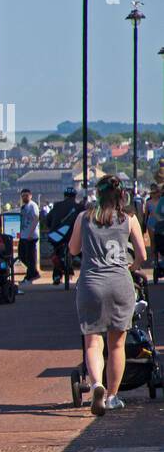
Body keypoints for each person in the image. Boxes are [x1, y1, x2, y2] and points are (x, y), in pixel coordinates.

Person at [70, 176, 148, 416]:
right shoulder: (129, 218)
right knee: (117, 344)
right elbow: (143, 256)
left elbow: (73, 249)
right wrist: (130, 267)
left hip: (92, 283)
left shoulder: (84, 217)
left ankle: (96, 385)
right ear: (121, 194)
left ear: (98, 193)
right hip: (119, 283)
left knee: (92, 342)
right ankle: (112, 396)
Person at [46, 186, 83, 285]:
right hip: (74, 236)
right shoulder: (79, 207)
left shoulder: (57, 206)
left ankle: (57, 276)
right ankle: (81, 272)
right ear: (74, 196)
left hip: (57, 236)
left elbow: (47, 220)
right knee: (83, 253)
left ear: (65, 196)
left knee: (57, 253)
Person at [16, 188, 41, 282]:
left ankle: (30, 275)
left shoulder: (32, 205)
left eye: (26, 195)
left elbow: (36, 219)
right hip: (24, 235)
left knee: (30, 257)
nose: (24, 197)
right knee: (22, 256)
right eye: (23, 196)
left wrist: (31, 232)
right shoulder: (23, 207)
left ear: (30, 196)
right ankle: (33, 272)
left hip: (31, 236)